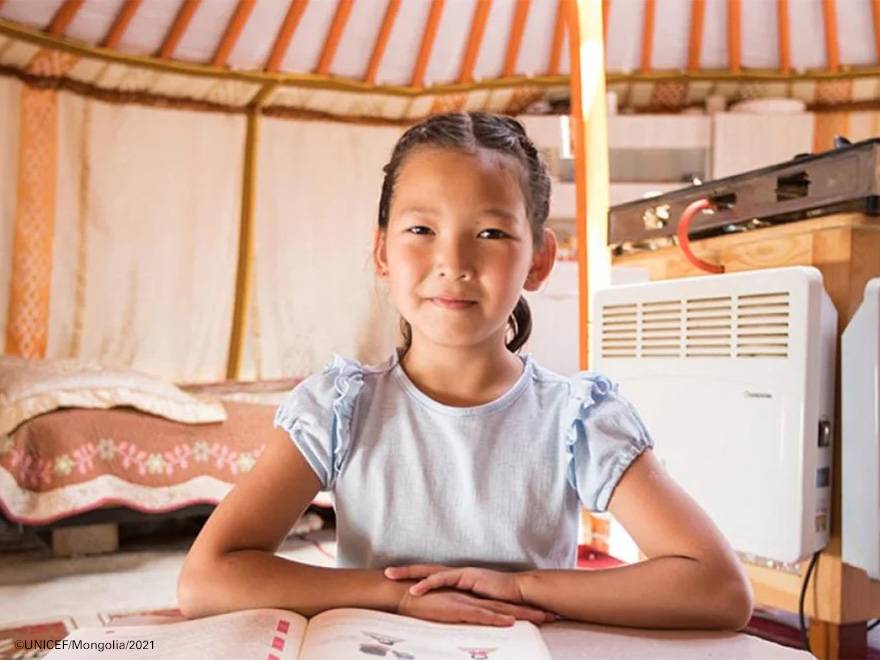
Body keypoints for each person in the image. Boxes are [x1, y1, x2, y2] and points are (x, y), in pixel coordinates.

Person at [178, 111, 753, 631]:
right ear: (382, 253)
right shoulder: (340, 409)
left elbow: (718, 587)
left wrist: (521, 588)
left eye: (491, 233)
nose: (453, 263)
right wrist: (397, 597)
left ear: (540, 260)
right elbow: (206, 579)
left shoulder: (576, 418)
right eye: (421, 230)